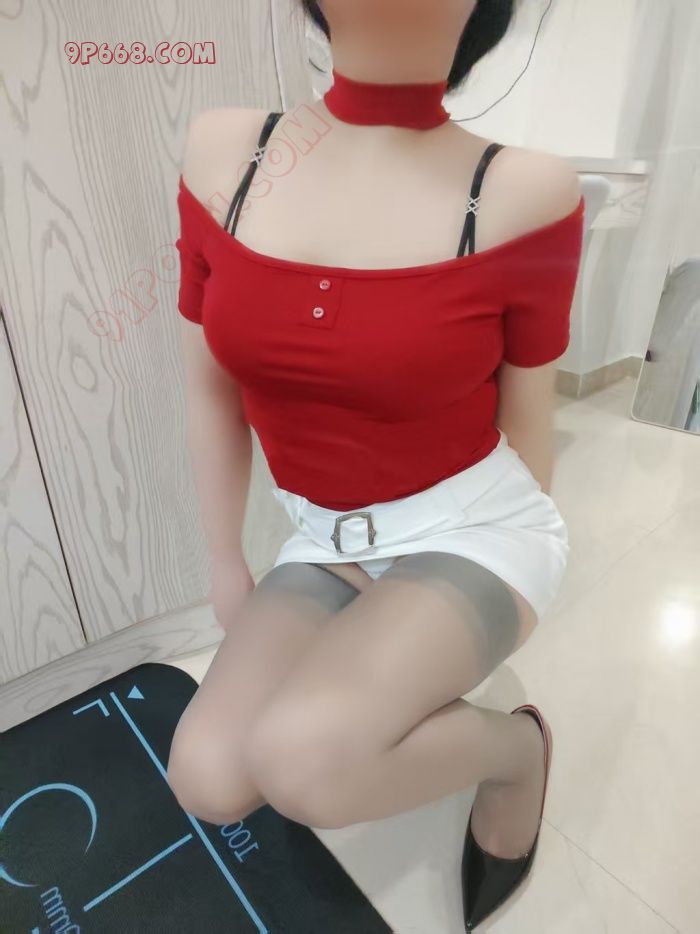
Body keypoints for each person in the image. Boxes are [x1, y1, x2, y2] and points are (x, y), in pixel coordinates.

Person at [167, 1, 584, 929]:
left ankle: (516, 756)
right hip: (326, 537)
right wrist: (226, 558)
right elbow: (208, 388)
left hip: (473, 525)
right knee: (208, 775)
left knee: (305, 764)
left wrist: (494, 608)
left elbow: (530, 412)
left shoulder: (523, 188)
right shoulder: (225, 153)